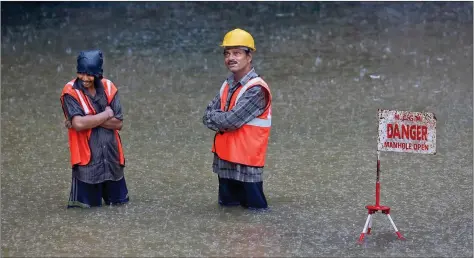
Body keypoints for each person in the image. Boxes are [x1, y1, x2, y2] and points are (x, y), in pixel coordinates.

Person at [202, 28, 272, 210]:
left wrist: (219, 118)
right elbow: (206, 116)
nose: (230, 58)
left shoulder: (257, 89)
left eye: (237, 53)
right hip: (225, 161)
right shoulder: (227, 84)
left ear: (249, 57)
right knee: (228, 214)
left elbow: (230, 121)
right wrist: (220, 118)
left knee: (256, 218)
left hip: (247, 165)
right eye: (227, 53)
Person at [60, 50, 129, 208]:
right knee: (84, 214)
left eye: (90, 74)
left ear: (99, 74)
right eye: (81, 73)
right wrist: (106, 113)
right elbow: (78, 124)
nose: (84, 78)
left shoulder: (109, 87)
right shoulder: (70, 91)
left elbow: (118, 123)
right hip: (87, 164)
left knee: (120, 208)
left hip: (112, 159)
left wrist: (88, 118)